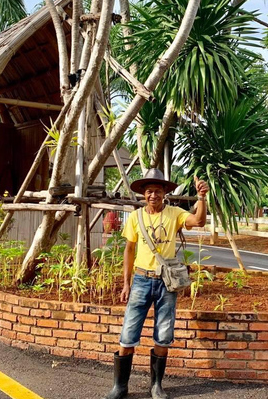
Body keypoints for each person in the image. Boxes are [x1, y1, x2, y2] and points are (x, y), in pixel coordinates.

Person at [104, 168, 208, 399]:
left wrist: (201, 197)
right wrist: (126, 283)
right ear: (143, 194)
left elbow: (199, 221)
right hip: (141, 279)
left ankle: (156, 385)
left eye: (158, 191)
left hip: (166, 283)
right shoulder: (135, 217)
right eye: (149, 191)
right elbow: (129, 250)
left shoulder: (175, 214)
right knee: (128, 333)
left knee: (163, 333)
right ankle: (120, 386)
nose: (153, 195)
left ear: (164, 193)